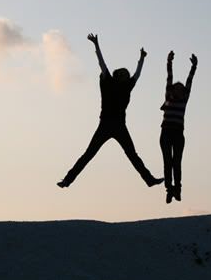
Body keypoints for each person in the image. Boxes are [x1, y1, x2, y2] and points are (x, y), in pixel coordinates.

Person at [57, 33, 164, 188]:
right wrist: (96, 45)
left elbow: (137, 74)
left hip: (120, 125)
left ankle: (149, 180)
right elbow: (101, 63)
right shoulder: (108, 82)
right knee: (89, 154)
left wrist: (142, 59)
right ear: (117, 75)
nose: (127, 75)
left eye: (127, 74)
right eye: (124, 74)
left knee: (132, 155)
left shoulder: (127, 86)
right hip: (106, 124)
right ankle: (67, 180)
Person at [160, 51, 197, 203]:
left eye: (182, 89)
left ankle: (178, 189)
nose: (180, 90)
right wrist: (169, 61)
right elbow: (169, 76)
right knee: (168, 161)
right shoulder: (168, 96)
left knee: (177, 162)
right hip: (166, 132)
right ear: (173, 89)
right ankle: (169, 189)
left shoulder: (184, 99)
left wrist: (194, 66)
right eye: (177, 88)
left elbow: (190, 81)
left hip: (178, 133)